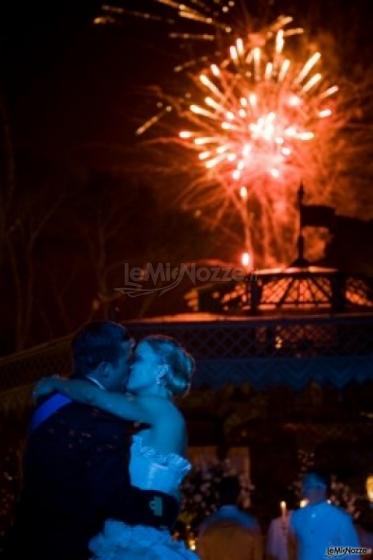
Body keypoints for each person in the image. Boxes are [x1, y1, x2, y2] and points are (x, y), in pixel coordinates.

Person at [4, 322, 178, 560]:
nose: (131, 367)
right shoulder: (103, 421)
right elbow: (110, 497)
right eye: (127, 359)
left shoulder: (50, 402)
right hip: (73, 548)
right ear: (105, 369)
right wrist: (159, 505)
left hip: (29, 543)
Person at [289, 471, 362, 560]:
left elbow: (352, 552)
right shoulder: (297, 516)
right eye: (305, 486)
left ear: (323, 488)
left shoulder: (340, 518)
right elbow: (296, 546)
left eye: (310, 486)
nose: (306, 491)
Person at [197, 476, 262, 560]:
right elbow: (257, 556)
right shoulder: (252, 524)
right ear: (238, 495)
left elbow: (200, 556)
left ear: (218, 495)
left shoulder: (206, 525)